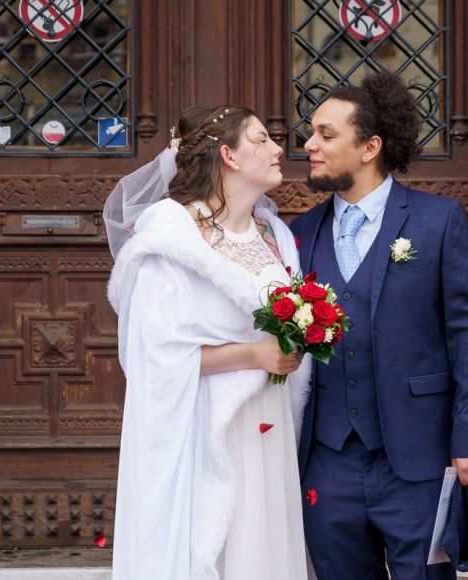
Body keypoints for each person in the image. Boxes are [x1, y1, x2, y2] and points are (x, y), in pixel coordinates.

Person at [289, 71, 468, 579]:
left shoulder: (438, 220)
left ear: (370, 147)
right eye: (311, 133)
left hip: (419, 456)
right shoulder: (299, 233)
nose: (309, 145)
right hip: (327, 458)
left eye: (325, 134)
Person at [104, 106, 311, 580]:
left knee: (263, 544)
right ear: (228, 155)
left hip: (269, 420)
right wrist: (256, 355)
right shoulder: (171, 235)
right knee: (213, 543)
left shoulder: (275, 235)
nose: (279, 149)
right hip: (205, 426)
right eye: (262, 139)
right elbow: (155, 356)